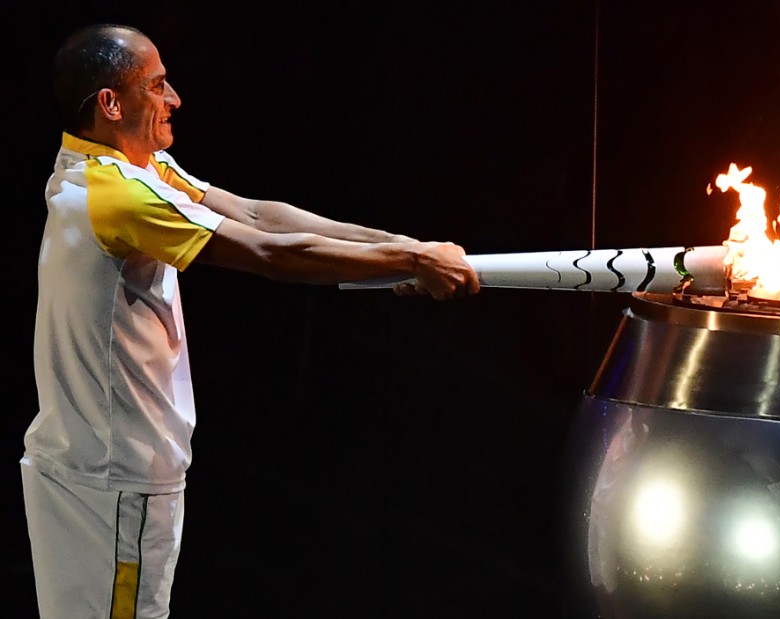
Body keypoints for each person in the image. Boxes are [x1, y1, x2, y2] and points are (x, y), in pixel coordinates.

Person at [21, 23, 480, 619]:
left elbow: (259, 215)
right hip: (114, 486)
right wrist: (411, 259)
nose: (174, 100)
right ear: (111, 103)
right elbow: (270, 254)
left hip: (88, 470)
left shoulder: (117, 169)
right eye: (157, 86)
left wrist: (401, 247)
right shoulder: (119, 197)